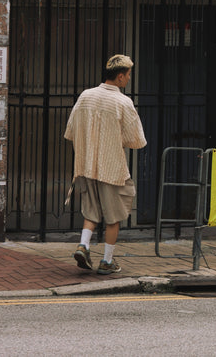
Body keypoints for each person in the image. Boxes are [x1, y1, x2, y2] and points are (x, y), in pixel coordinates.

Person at [64, 54, 147, 274]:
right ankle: (107, 261)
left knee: (91, 211)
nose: (129, 79)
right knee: (114, 216)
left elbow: (71, 131)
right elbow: (137, 141)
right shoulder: (122, 102)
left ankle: (83, 245)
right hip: (112, 168)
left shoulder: (85, 96)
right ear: (120, 76)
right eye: (128, 76)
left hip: (86, 165)